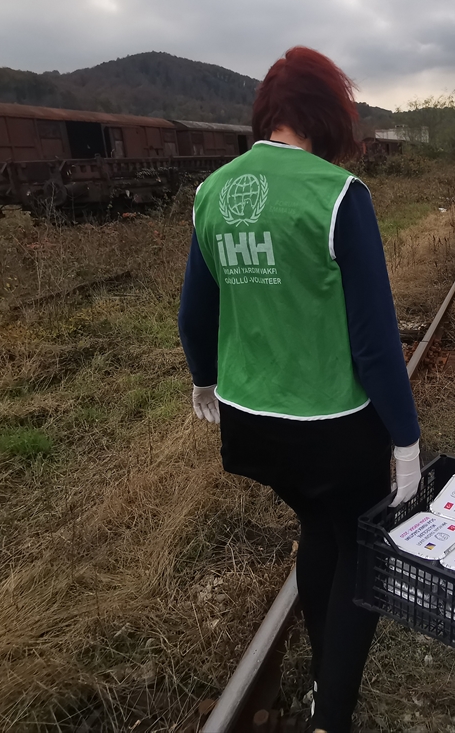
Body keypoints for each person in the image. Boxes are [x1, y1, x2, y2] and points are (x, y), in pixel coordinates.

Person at [178, 46, 422, 733]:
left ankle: (323, 680)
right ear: (326, 114)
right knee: (361, 553)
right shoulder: (338, 195)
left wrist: (206, 379)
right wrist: (405, 440)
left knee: (319, 529)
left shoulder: (213, 192)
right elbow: (375, 341)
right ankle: (332, 716)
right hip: (335, 428)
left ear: (269, 113)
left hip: (253, 422)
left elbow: (194, 313)